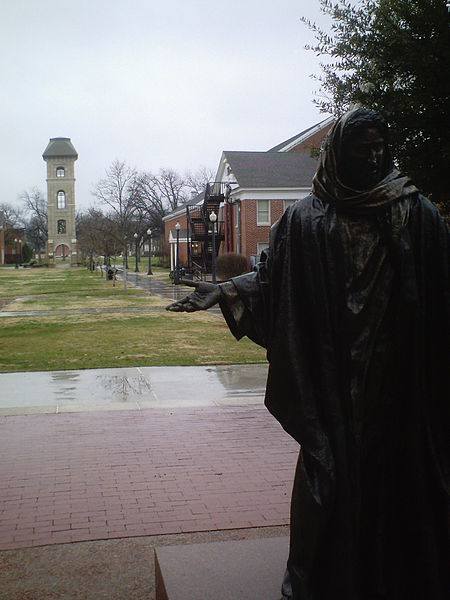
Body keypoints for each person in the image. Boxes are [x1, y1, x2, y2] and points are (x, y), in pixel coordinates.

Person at [167, 109, 449, 599]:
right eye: (363, 148)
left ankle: (396, 573)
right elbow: (277, 283)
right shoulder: (307, 219)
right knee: (327, 470)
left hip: (401, 378)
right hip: (332, 378)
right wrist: (228, 291)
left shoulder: (416, 214)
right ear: (339, 153)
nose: (375, 156)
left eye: (381, 147)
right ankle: (313, 574)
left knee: (401, 477)